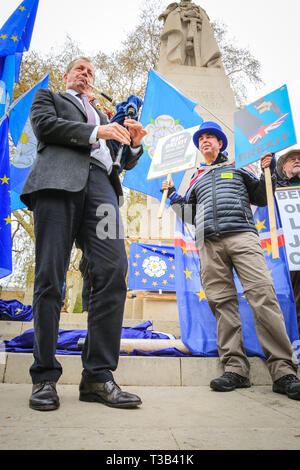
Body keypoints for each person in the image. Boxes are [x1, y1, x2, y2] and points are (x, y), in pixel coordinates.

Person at [20, 56, 146, 411]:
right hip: (58, 185)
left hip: (103, 191)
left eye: (91, 71)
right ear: (67, 76)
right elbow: (46, 128)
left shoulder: (107, 116)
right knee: (50, 276)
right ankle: (44, 376)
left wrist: (133, 143)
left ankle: (97, 376)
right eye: (80, 69)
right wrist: (97, 132)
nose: (86, 74)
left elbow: (122, 159)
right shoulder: (49, 98)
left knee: (112, 269)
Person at [162, 121, 300, 400]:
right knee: (222, 303)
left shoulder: (240, 167)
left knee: (263, 296)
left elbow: (261, 197)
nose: (205, 141)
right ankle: (235, 368)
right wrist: (174, 195)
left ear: (221, 143)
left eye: (211, 137)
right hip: (208, 245)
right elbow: (190, 216)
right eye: (201, 139)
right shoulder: (195, 179)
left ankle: (284, 371)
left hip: (243, 237)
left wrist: (268, 169)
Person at [276, 148, 300, 333]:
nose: (297, 161)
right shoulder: (274, 188)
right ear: (284, 167)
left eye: (299, 159)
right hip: (286, 253)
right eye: (292, 159)